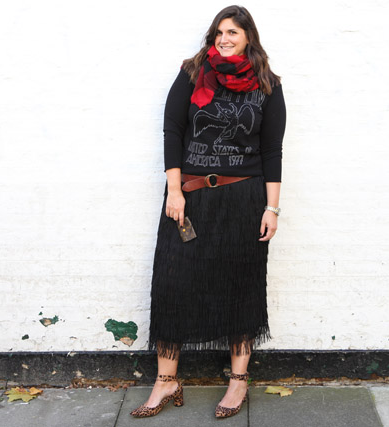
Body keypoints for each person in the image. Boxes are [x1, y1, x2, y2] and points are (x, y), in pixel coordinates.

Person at [130, 5, 286, 419]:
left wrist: (272, 207)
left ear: (248, 37)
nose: (224, 38)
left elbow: (272, 150)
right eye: (219, 31)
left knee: (240, 285)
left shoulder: (268, 85)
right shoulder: (192, 72)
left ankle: (238, 381)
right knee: (173, 283)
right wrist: (174, 190)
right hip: (192, 197)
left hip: (243, 199)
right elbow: (173, 130)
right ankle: (166, 381)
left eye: (233, 32)